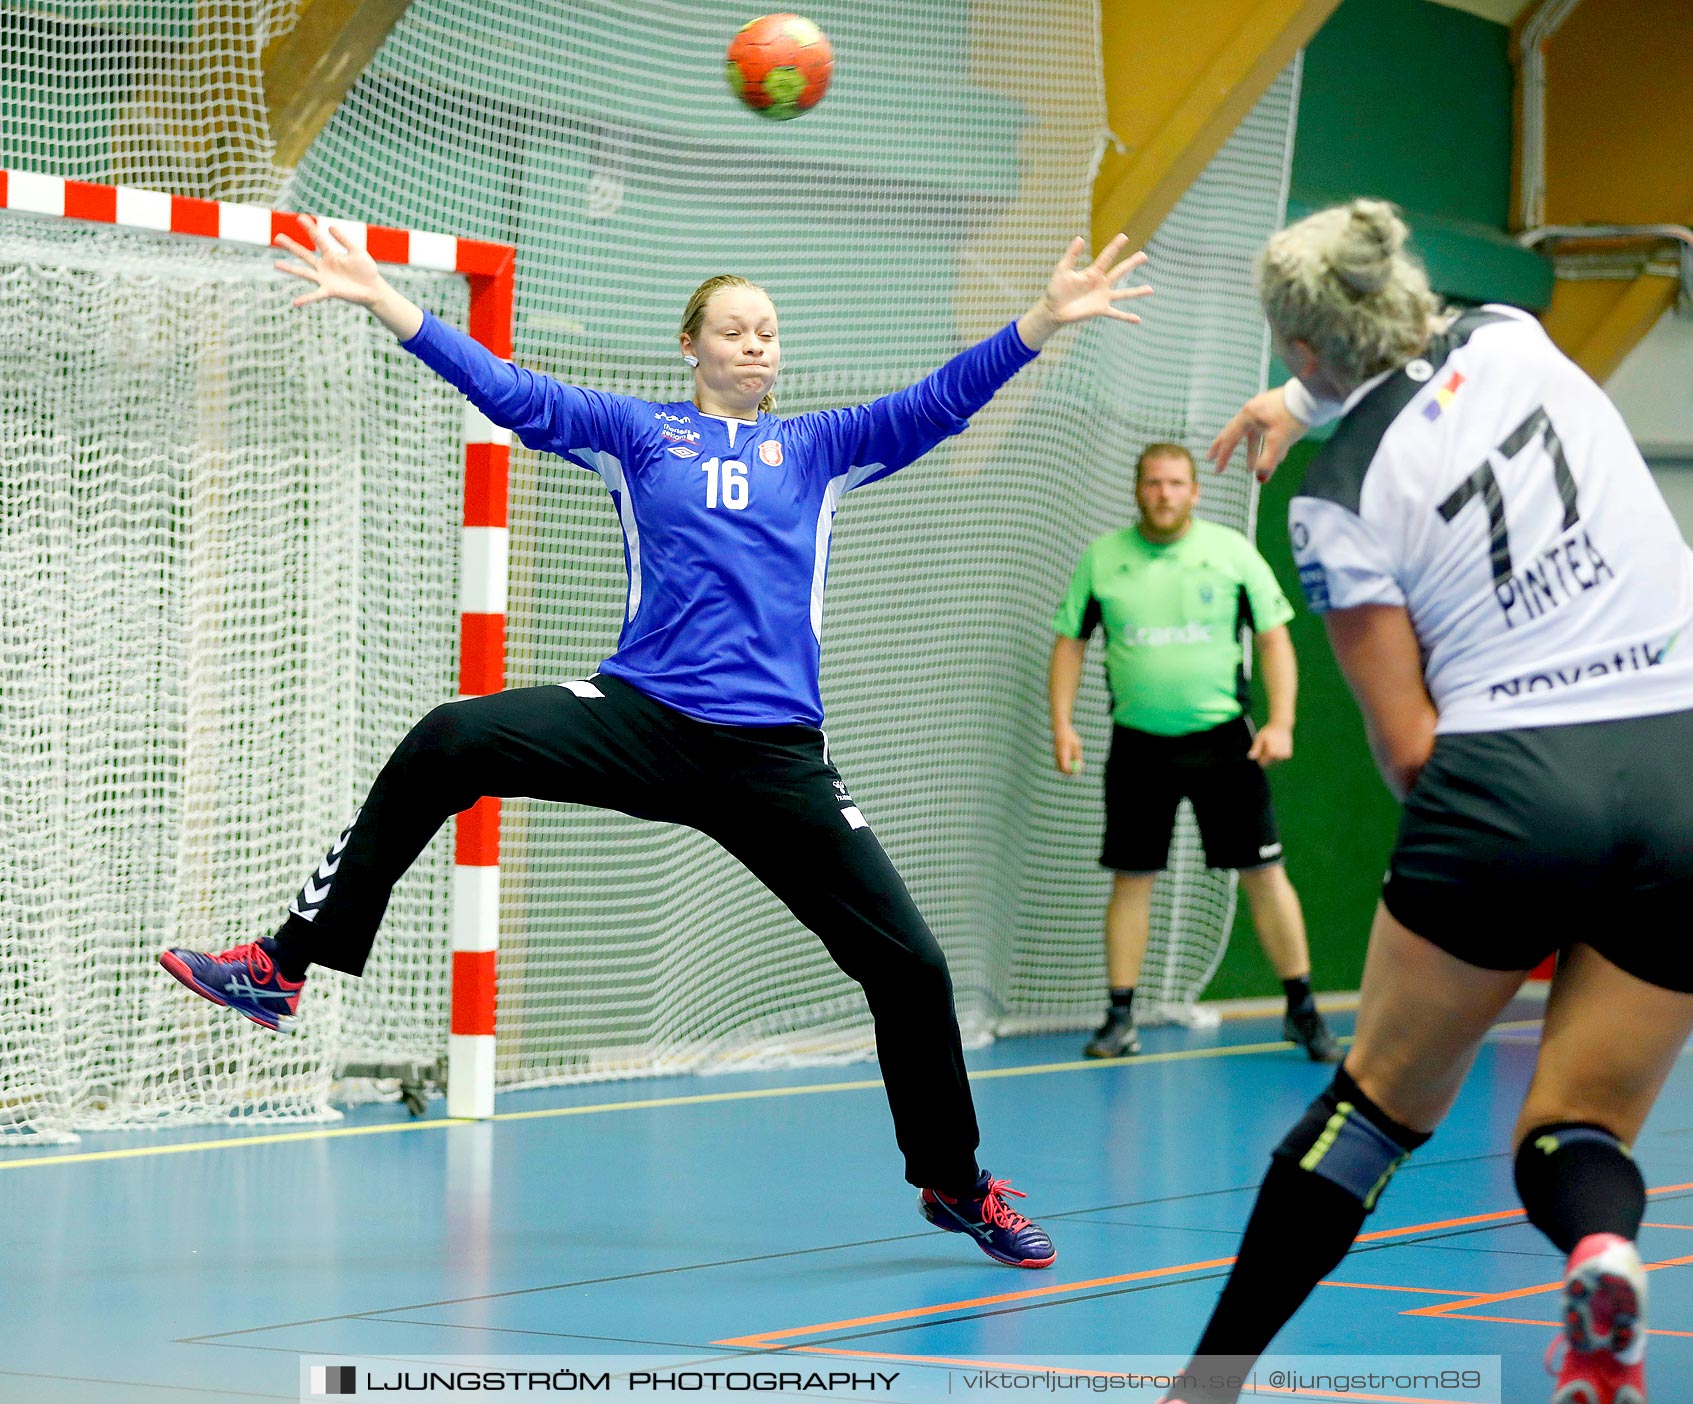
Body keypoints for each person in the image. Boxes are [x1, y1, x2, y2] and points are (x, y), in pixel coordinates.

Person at [159, 214, 1153, 1270]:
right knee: (451, 737)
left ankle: (956, 1183)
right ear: (692, 346)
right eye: (733, 329)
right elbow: (513, 395)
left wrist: (1044, 316)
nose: (756, 344)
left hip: (774, 756)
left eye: (768, 331)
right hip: (642, 719)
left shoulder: (817, 450)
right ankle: (285, 965)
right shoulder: (641, 436)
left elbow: (938, 403)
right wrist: (392, 306)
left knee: (910, 966)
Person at [1175, 199, 1693, 1403]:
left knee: (1377, 1110)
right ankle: (1601, 1251)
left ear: (1298, 350)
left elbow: (1407, 750)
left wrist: (1299, 404)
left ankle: (1207, 1389)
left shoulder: (1335, 497)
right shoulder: (1515, 331)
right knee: (1577, 1124)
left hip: (1516, 783)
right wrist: (1303, 393)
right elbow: (1410, 355)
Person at [1048, 442, 1339, 1063]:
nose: (1164, 494)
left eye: (1176, 482)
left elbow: (1274, 639)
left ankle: (1304, 1010)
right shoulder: (1103, 561)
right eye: (1153, 483)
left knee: (1265, 874)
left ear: (1195, 490)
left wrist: (1282, 721)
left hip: (1225, 744)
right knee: (1133, 879)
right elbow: (1069, 642)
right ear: (1137, 490)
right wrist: (1063, 724)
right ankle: (1119, 1019)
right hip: (1137, 748)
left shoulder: (1231, 554)